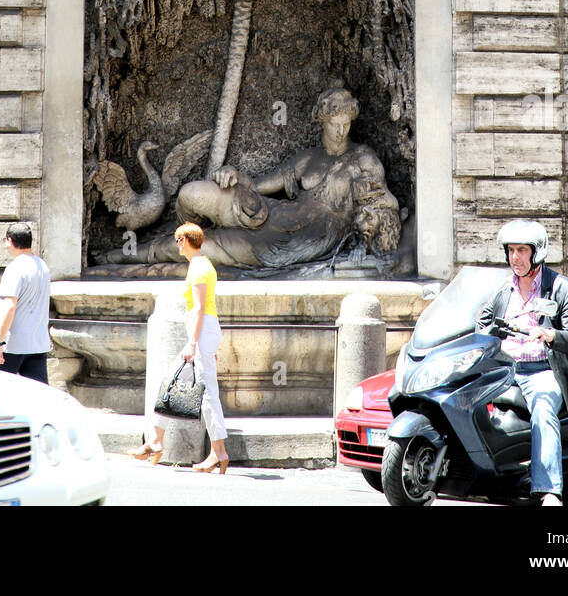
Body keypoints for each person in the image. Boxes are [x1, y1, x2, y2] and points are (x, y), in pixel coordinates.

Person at [118, 87, 400, 270]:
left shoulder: (364, 159)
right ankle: (172, 234)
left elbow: (383, 207)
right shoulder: (306, 159)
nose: (340, 131)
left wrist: (363, 245)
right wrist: (234, 175)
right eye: (334, 124)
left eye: (345, 124)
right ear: (321, 122)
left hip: (307, 236)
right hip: (278, 215)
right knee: (191, 193)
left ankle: (133, 255)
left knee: (201, 246)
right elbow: (259, 184)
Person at [477, 219, 568, 509]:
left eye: (522, 250)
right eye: (511, 250)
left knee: (542, 408)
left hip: (542, 369)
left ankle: (549, 490)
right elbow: (482, 321)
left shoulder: (561, 288)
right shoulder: (504, 290)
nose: (515, 257)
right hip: (504, 370)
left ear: (537, 253)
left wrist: (550, 334)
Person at [128, 222, 229, 474]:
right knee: (169, 381)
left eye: (177, 240)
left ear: (184, 240)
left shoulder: (198, 268)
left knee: (208, 394)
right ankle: (156, 440)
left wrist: (194, 343)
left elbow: (198, 307)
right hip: (205, 331)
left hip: (201, 332)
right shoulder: (203, 265)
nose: (177, 245)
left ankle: (219, 453)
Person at [0, 222, 51, 385]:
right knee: (38, 395)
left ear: (9, 240)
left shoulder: (15, 268)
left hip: (13, 345)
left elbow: (9, 306)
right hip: (37, 344)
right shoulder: (43, 266)